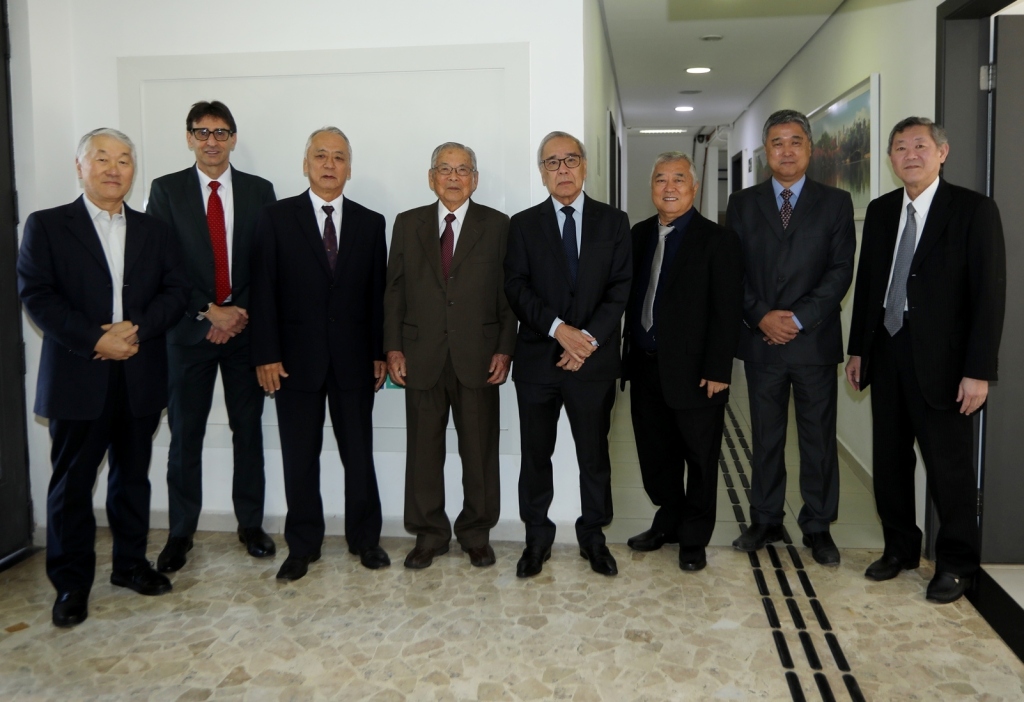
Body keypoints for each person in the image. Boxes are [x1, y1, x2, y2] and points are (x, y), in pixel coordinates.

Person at [17, 128, 189, 626]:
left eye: (124, 160)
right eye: (102, 159)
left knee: (132, 478)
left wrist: (135, 330)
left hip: (140, 371)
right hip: (78, 374)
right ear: (80, 166)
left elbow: (177, 291)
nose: (114, 169)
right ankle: (71, 584)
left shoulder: (155, 230)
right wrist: (96, 339)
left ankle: (130, 566)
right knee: (72, 486)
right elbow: (37, 295)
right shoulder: (48, 225)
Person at [845, 117, 1005, 603]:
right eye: (900, 147)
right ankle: (900, 549)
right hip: (887, 350)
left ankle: (957, 564)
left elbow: (989, 295)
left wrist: (978, 371)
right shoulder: (880, 211)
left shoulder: (973, 210)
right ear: (890, 158)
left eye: (920, 145)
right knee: (890, 461)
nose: (909, 155)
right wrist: (858, 349)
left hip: (946, 364)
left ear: (942, 152)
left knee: (948, 468)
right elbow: (869, 286)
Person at [249, 127, 390, 581]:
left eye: (339, 157)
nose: (330, 164)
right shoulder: (275, 217)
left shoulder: (371, 223)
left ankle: (365, 539)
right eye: (321, 156)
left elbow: (378, 296)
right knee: (299, 457)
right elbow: (262, 291)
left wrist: (379, 353)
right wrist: (266, 354)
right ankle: (303, 545)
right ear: (305, 163)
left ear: (349, 167)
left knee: (359, 455)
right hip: (293, 362)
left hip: (354, 361)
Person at [147, 101, 278, 573]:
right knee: (186, 435)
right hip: (187, 334)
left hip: (244, 332)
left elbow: (267, 262)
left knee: (249, 432)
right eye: (202, 132)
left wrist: (235, 315)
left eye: (221, 132)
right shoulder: (166, 191)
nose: (211, 141)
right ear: (189, 138)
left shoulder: (260, 190)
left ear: (233, 139)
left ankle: (251, 525)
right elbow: (160, 264)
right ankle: (180, 533)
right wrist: (209, 312)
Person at [727, 109, 855, 566]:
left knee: (818, 440)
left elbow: (840, 271)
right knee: (766, 437)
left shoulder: (835, 203)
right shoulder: (742, 203)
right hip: (761, 341)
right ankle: (765, 518)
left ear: (810, 148)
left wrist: (797, 319)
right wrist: (761, 316)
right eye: (777, 143)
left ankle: (818, 525)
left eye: (795, 141)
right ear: (765, 151)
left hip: (813, 342)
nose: (786, 151)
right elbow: (732, 270)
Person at [504, 131, 631, 578]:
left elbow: (620, 288)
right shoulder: (523, 224)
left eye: (570, 160)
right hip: (538, 360)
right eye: (552, 162)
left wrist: (586, 341)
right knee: (535, 456)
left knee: (594, 455)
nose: (563, 170)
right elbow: (516, 287)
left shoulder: (614, 221)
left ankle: (593, 537)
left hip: (592, 363)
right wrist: (560, 331)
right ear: (542, 172)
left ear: (585, 165)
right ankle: (536, 538)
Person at [384, 142, 516, 569]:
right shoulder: (408, 223)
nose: (454, 177)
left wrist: (505, 348)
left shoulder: (497, 225)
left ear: (475, 179)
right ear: (431, 177)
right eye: (445, 169)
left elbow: (509, 294)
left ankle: (476, 533)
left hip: (479, 356)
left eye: (463, 170)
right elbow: (394, 291)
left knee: (479, 452)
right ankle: (429, 534)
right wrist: (393, 347)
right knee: (423, 452)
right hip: (420, 355)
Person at [621, 152, 743, 572]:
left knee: (700, 458)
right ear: (651, 188)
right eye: (660, 179)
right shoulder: (639, 235)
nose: (669, 187)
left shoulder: (719, 240)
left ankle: (694, 537)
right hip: (644, 367)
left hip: (696, 373)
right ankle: (668, 521)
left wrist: (718, 369)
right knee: (656, 456)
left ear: (694, 187)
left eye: (678, 179)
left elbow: (727, 310)